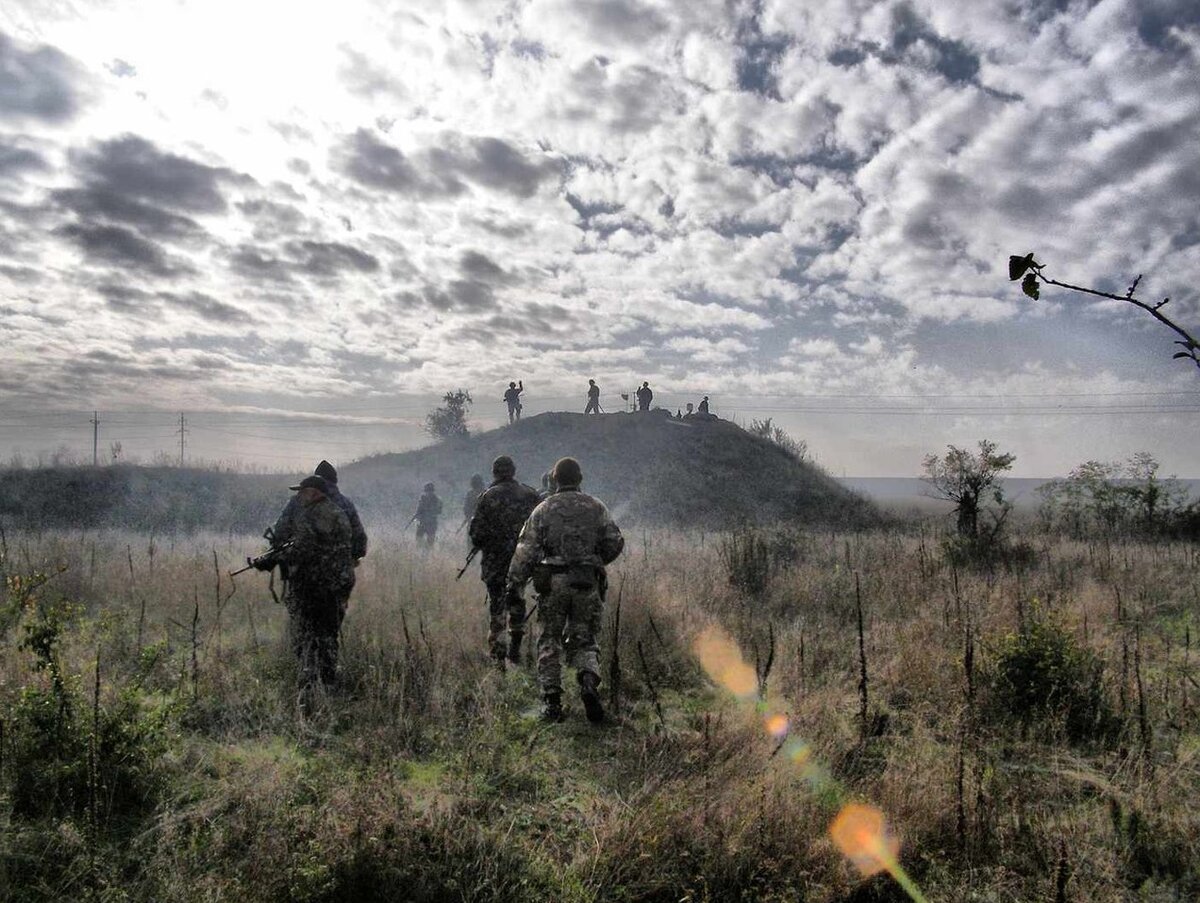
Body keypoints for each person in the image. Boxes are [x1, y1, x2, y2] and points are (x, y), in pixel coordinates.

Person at [507, 456, 624, 723]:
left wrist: (514, 584)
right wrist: (595, 560)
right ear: (580, 479)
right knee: (585, 639)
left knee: (550, 639)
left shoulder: (543, 509)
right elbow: (615, 541)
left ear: (555, 480)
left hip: (554, 583)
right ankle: (588, 683)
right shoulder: (596, 507)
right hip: (587, 581)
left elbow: (526, 550)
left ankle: (553, 703)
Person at [261, 475, 355, 694]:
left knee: (307, 633)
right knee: (327, 634)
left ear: (315, 492)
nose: (299, 496)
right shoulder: (335, 511)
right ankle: (327, 682)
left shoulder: (314, 514)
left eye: (302, 491)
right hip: (337, 582)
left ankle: (311, 682)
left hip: (317, 584)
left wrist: (273, 559)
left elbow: (304, 549)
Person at [468, 455, 541, 669]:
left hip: (495, 561)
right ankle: (516, 649)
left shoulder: (488, 496)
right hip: (523, 560)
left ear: (495, 472)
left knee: (497, 605)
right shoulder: (530, 495)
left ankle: (499, 656)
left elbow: (477, 535)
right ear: (513, 471)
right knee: (517, 600)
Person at [274, 459, 368, 568]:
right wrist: (350, 558)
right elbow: (360, 540)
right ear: (334, 481)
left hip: (305, 570)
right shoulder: (346, 504)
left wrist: (284, 550)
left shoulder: (299, 500)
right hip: (339, 572)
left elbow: (280, 531)